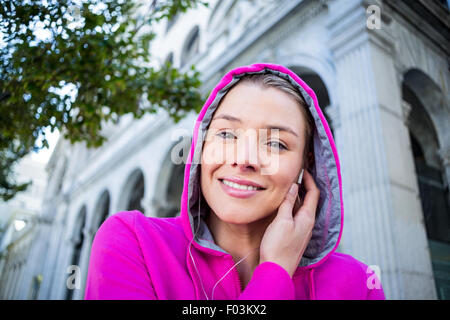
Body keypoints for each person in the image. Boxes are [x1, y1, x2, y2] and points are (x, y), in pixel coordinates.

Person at [84, 63, 385, 300]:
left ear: (307, 164)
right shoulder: (134, 243)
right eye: (227, 135)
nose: (245, 159)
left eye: (277, 144)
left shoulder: (358, 285)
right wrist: (275, 273)